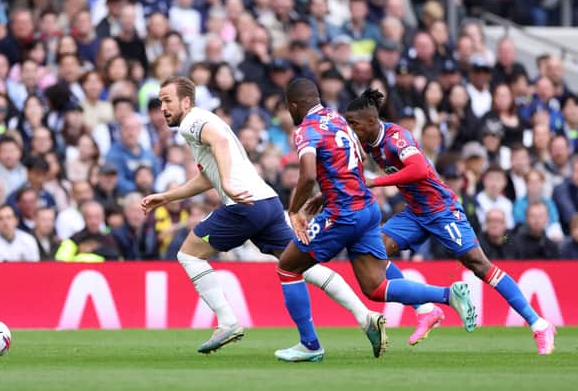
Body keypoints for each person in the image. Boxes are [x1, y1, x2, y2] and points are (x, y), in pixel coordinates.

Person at [142, 76, 385, 356]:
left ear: (186, 101)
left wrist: (230, 186)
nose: (162, 107)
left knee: (189, 255)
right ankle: (365, 317)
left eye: (167, 100)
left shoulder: (191, 121)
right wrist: (168, 197)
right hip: (266, 202)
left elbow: (219, 142)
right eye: (160, 101)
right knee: (299, 264)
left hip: (243, 205)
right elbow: (209, 176)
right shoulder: (204, 120)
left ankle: (227, 323)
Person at [274, 79, 475, 363]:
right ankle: (447, 295)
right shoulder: (337, 119)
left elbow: (306, 175)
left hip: (343, 213)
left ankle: (310, 345)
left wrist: (295, 211)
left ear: (293, 106)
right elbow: (346, 164)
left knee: (287, 268)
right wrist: (325, 194)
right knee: (375, 287)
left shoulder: (305, 130)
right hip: (367, 208)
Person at [344, 88, 556, 355]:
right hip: (416, 212)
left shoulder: (397, 138)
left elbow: (420, 168)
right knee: (377, 250)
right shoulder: (366, 141)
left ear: (372, 122)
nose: (351, 129)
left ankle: (539, 324)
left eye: (354, 124)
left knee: (480, 265)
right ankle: (426, 311)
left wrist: (375, 181)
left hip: (441, 209)